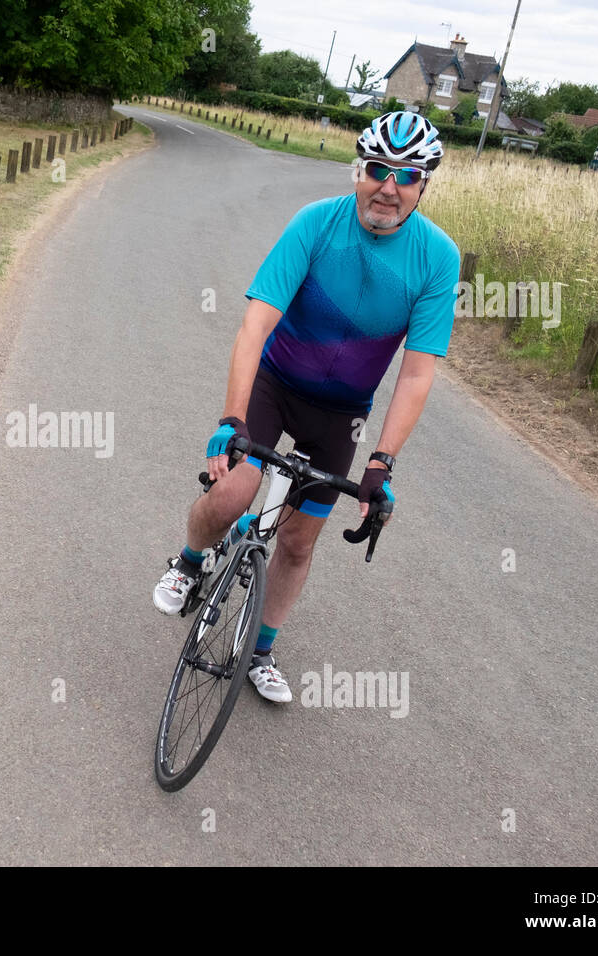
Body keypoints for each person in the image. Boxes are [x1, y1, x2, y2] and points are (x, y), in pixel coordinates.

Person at [152, 111, 461, 703]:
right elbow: (255, 325)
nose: (389, 187)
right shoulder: (315, 224)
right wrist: (231, 420)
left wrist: (381, 464)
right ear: (359, 170)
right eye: (378, 169)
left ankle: (261, 648)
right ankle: (190, 562)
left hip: (340, 413)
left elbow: (417, 373)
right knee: (235, 493)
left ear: (425, 185)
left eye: (408, 176)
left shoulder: (436, 258)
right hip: (276, 384)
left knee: (297, 542)